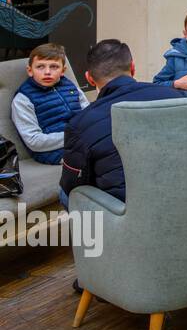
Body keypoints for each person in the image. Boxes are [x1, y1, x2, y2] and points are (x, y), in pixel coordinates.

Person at [59, 40, 179, 206]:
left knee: (65, 195)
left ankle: (90, 233)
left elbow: (71, 184)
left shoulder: (80, 124)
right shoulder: (175, 97)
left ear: (90, 79)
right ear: (132, 67)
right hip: (179, 196)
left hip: (125, 213)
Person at [11, 43, 89, 165]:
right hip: (54, 152)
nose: (47, 72)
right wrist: (75, 136)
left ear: (63, 71)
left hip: (83, 140)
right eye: (40, 67)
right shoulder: (23, 99)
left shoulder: (71, 87)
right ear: (30, 71)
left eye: (54, 67)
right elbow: (34, 141)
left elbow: (89, 114)